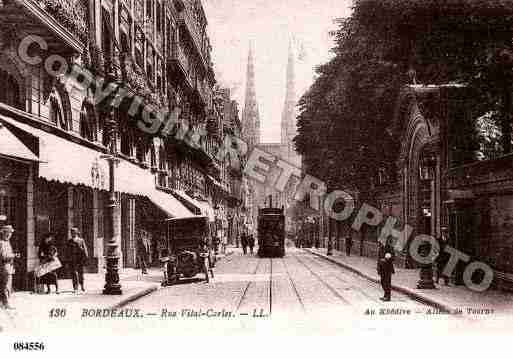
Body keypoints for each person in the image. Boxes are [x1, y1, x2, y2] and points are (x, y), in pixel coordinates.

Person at [65, 228, 88, 293]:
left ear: (77, 233)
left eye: (74, 232)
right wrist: (67, 260)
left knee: (81, 273)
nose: (73, 234)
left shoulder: (81, 240)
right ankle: (75, 287)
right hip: (72, 260)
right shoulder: (69, 241)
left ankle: (82, 286)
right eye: (71, 233)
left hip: (79, 259)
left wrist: (85, 258)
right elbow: (67, 251)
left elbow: (85, 250)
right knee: (74, 273)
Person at [0, 225, 16, 310]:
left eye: (10, 233)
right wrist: (13, 255)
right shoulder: (2, 243)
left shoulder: (7, 242)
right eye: (9, 233)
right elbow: (3, 256)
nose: (10, 235)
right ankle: (5, 303)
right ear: (5, 233)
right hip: (4, 267)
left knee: (6, 285)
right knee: (5, 286)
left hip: (8, 266)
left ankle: (3, 303)